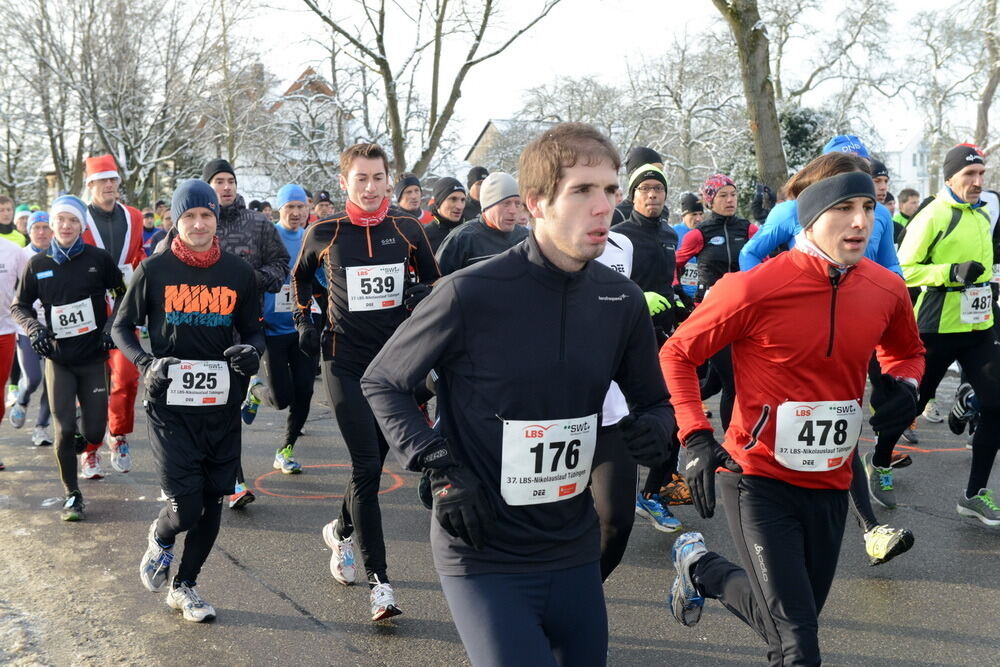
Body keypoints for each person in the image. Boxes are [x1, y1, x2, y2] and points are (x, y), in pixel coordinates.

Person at [363, 123, 674, 665]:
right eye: (582, 190)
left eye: (610, 190)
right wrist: (439, 466)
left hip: (571, 545)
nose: (603, 206)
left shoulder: (618, 299)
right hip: (483, 547)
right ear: (536, 203)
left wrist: (659, 429)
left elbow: (654, 402)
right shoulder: (471, 291)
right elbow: (384, 381)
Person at [661, 168, 925, 665]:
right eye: (843, 209)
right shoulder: (751, 288)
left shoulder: (886, 289)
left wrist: (905, 389)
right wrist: (695, 435)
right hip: (757, 479)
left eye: (868, 209)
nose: (860, 221)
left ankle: (702, 569)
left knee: (794, 624)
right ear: (809, 220)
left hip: (831, 481)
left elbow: (907, 353)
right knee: (798, 648)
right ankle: (707, 573)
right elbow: (677, 353)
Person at [291, 142, 439, 621]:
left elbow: (436, 285)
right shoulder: (325, 232)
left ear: (388, 182)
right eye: (361, 179)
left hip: (395, 366)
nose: (371, 188)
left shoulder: (409, 228)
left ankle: (340, 531)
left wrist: (420, 294)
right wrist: (305, 321)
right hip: (345, 362)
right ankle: (381, 582)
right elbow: (301, 284)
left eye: (378, 178)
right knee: (367, 465)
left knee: (369, 469)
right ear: (344, 182)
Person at [114, 179, 263, 622]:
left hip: (221, 405)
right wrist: (145, 362)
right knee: (186, 506)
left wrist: (253, 353)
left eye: (207, 216)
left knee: (214, 499)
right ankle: (161, 538)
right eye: (189, 217)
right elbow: (120, 328)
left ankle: (185, 586)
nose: (199, 224)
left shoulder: (238, 273)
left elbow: (254, 331)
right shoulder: (154, 270)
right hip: (170, 408)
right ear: (175, 222)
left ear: (216, 219)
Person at [159, 158, 291, 509]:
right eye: (218, 181)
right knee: (204, 410)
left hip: (241, 334)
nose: (226, 186)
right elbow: (157, 274)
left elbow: (280, 266)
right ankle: (213, 478)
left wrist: (246, 283)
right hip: (195, 333)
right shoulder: (187, 227)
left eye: (230, 180)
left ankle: (229, 477)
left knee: (227, 411)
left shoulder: (258, 223)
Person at [889, 144, 1000, 526]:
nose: (977, 182)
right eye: (970, 175)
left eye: (981, 175)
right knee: (912, 407)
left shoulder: (983, 213)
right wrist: (949, 273)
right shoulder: (933, 214)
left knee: (997, 403)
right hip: (938, 325)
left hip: (979, 323)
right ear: (950, 177)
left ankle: (973, 495)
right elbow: (903, 269)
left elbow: (984, 265)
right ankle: (879, 461)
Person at [11, 195, 126, 520]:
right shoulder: (39, 264)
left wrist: (109, 327)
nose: (65, 226)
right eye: (59, 220)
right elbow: (18, 307)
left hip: (92, 358)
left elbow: (122, 296)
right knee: (62, 432)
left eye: (72, 220)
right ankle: (72, 495)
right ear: (51, 223)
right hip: (58, 360)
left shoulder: (98, 259)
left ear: (81, 226)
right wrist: (34, 329)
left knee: (93, 433)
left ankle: (81, 433)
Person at [739, 135, 901, 277]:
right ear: (826, 170)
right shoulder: (791, 210)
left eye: (864, 166)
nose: (855, 173)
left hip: (862, 304)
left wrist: (896, 292)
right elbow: (750, 253)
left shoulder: (881, 213)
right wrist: (764, 298)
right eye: (844, 166)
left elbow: (890, 265)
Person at [240, 184, 318, 474]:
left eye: (300, 207)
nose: (296, 213)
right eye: (290, 208)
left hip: (303, 328)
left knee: (305, 390)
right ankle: (257, 392)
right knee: (282, 398)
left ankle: (286, 449)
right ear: (278, 209)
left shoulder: (312, 237)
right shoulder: (266, 236)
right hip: (271, 329)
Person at [674, 174, 757, 432]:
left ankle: (672, 405)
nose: (730, 200)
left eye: (733, 194)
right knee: (732, 381)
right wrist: (680, 293)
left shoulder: (749, 229)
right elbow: (673, 265)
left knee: (715, 383)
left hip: (744, 313)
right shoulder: (699, 234)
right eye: (723, 195)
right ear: (710, 200)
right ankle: (733, 445)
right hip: (713, 315)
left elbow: (765, 262)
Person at [82, 154, 146, 476]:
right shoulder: (79, 218)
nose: (109, 186)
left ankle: (118, 435)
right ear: (90, 184)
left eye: (113, 180)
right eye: (102, 180)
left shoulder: (134, 217)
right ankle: (90, 447)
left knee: (127, 377)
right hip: (88, 312)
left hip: (123, 307)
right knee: (92, 384)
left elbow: (138, 256)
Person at [9, 212, 55, 447]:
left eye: (46, 227)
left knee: (51, 381)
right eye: (36, 227)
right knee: (34, 378)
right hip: (26, 328)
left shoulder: (59, 254)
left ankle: (41, 427)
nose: (41, 232)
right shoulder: (21, 255)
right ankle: (23, 400)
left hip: (54, 330)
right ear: (29, 230)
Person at [435, 172, 529, 275]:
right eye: (506, 203)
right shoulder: (462, 239)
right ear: (488, 205)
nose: (513, 210)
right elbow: (437, 282)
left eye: (517, 203)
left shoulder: (526, 237)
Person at [423, 178, 467, 253]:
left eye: (463, 200)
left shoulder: (469, 232)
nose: (459, 206)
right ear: (438, 202)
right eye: (453, 199)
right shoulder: (424, 235)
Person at [673, 192, 703, 301]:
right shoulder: (674, 233)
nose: (698, 218)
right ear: (684, 215)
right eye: (694, 214)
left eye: (700, 214)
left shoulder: (705, 232)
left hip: (701, 296)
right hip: (679, 295)